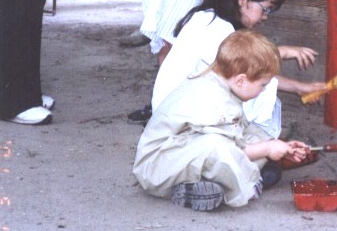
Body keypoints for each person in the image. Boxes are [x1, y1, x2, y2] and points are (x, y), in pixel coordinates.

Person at [149, 0, 325, 138]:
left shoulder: (209, 18)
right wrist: (283, 51)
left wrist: (300, 88)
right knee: (252, 98)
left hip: (172, 115)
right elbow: (250, 71)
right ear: (244, 0)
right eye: (265, 10)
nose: (265, 17)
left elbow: (253, 75)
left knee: (251, 88)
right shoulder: (216, 28)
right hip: (178, 125)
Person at [133, 29, 310, 211]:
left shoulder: (220, 79)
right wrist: (267, 149)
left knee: (257, 136)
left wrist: (277, 145)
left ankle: (204, 188)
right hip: (158, 166)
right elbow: (228, 148)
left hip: (182, 150)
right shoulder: (214, 100)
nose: (264, 90)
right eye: (262, 85)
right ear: (241, 80)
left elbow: (240, 134)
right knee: (217, 147)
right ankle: (235, 185)